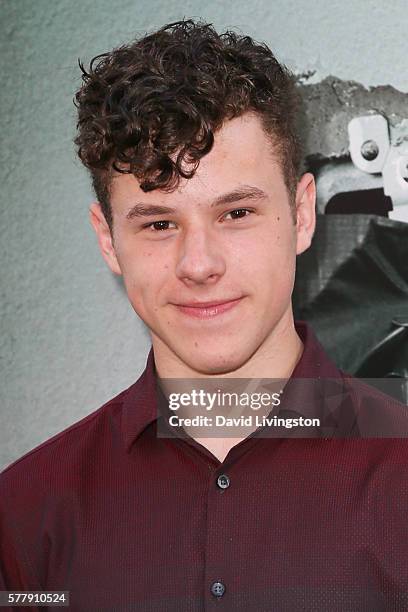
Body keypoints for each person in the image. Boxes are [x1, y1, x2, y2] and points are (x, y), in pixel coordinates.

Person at [1, 19, 408, 611]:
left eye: (237, 213)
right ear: (108, 239)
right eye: (159, 224)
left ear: (300, 215)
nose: (199, 264)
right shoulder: (25, 517)